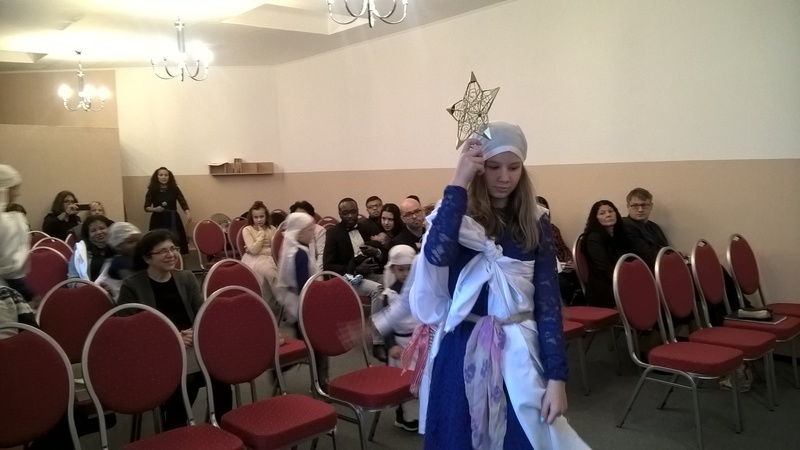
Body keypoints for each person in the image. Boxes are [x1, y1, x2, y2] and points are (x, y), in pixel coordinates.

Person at [410, 122, 585, 449]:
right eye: (493, 167)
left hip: (517, 352)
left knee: (522, 438)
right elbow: (437, 253)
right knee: (459, 437)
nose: (504, 177)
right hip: (463, 349)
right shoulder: (457, 215)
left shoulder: (536, 220)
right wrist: (458, 181)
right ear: (479, 167)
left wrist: (557, 378)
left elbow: (548, 304)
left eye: (514, 167)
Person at [118, 229, 232, 430]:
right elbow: (130, 331)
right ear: (147, 258)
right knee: (187, 380)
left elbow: (202, 313)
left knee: (220, 374)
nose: (171, 255)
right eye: (162, 251)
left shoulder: (186, 278)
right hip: (155, 350)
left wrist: (194, 332)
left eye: (173, 249)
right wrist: (172, 338)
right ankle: (175, 431)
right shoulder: (132, 286)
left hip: (190, 344)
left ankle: (219, 428)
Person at [323, 197, 386, 362]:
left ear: (358, 211)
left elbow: (381, 247)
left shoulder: (366, 227)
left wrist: (376, 252)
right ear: (340, 214)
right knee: (377, 290)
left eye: (353, 212)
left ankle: (394, 331)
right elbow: (328, 265)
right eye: (345, 213)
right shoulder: (333, 233)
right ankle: (377, 342)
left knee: (393, 282)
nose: (350, 216)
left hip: (369, 273)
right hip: (348, 279)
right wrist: (356, 269)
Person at [273, 212, 330, 388]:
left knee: (307, 345)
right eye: (309, 229)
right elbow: (304, 284)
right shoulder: (300, 253)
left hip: (296, 304)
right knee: (318, 345)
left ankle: (281, 367)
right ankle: (321, 383)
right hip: (303, 305)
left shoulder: (294, 249)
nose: (313, 232)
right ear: (298, 232)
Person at [370, 245, 420, 432]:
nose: (406, 274)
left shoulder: (418, 290)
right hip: (400, 345)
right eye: (401, 269)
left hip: (419, 341)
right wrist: (391, 345)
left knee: (420, 378)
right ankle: (404, 416)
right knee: (404, 381)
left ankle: (420, 414)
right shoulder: (389, 295)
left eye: (409, 269)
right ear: (392, 269)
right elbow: (386, 324)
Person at [581, 200, 631, 308]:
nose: (608, 215)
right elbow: (604, 268)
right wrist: (627, 281)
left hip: (619, 279)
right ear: (596, 218)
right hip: (604, 287)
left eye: (611, 211)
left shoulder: (620, 235)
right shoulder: (594, 238)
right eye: (602, 213)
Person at [0, 164, 38, 305]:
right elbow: (9, 267)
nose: (17, 193)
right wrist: (29, 294)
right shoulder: (5, 223)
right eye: (14, 188)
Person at [536, 196, 582, 305]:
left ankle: (576, 307)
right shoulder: (530, 231)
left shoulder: (553, 228)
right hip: (549, 269)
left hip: (564, 265)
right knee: (564, 286)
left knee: (583, 280)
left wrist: (569, 260)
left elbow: (564, 248)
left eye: (545, 210)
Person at [144, 167, 192, 254]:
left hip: (173, 218)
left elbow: (182, 201)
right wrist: (155, 209)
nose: (163, 177)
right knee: (158, 241)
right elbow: (146, 207)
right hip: (158, 219)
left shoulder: (174, 189)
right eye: (161, 175)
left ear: (169, 177)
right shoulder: (152, 190)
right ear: (157, 177)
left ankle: (178, 259)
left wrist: (187, 213)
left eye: (166, 175)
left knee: (175, 240)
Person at [241, 201, 279, 300]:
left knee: (282, 271)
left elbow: (275, 248)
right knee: (270, 273)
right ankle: (270, 302)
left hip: (271, 257)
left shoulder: (272, 228)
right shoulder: (247, 230)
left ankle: (282, 302)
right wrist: (261, 235)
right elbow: (254, 251)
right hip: (253, 259)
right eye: (256, 217)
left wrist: (259, 250)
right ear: (251, 217)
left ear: (266, 216)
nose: (259, 220)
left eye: (262, 216)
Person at [622, 187, 669, 268]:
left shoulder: (654, 226)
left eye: (644, 205)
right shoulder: (626, 226)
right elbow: (649, 257)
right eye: (635, 205)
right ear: (628, 207)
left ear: (651, 206)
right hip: (642, 271)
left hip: (662, 267)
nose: (640, 210)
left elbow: (667, 249)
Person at [94, 222, 142, 302]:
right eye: (131, 242)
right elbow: (135, 286)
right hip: (122, 304)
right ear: (117, 246)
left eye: (138, 241)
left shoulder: (130, 258)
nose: (137, 244)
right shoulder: (120, 262)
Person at [67, 215, 115, 282]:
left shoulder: (117, 246)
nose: (99, 232)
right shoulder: (81, 249)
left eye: (102, 228)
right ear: (88, 234)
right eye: (93, 230)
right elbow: (73, 279)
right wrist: (90, 287)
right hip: (90, 286)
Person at [289, 200, 326, 270]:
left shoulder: (319, 230)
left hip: (316, 270)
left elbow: (321, 256)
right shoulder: (290, 233)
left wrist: (315, 274)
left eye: (304, 216)